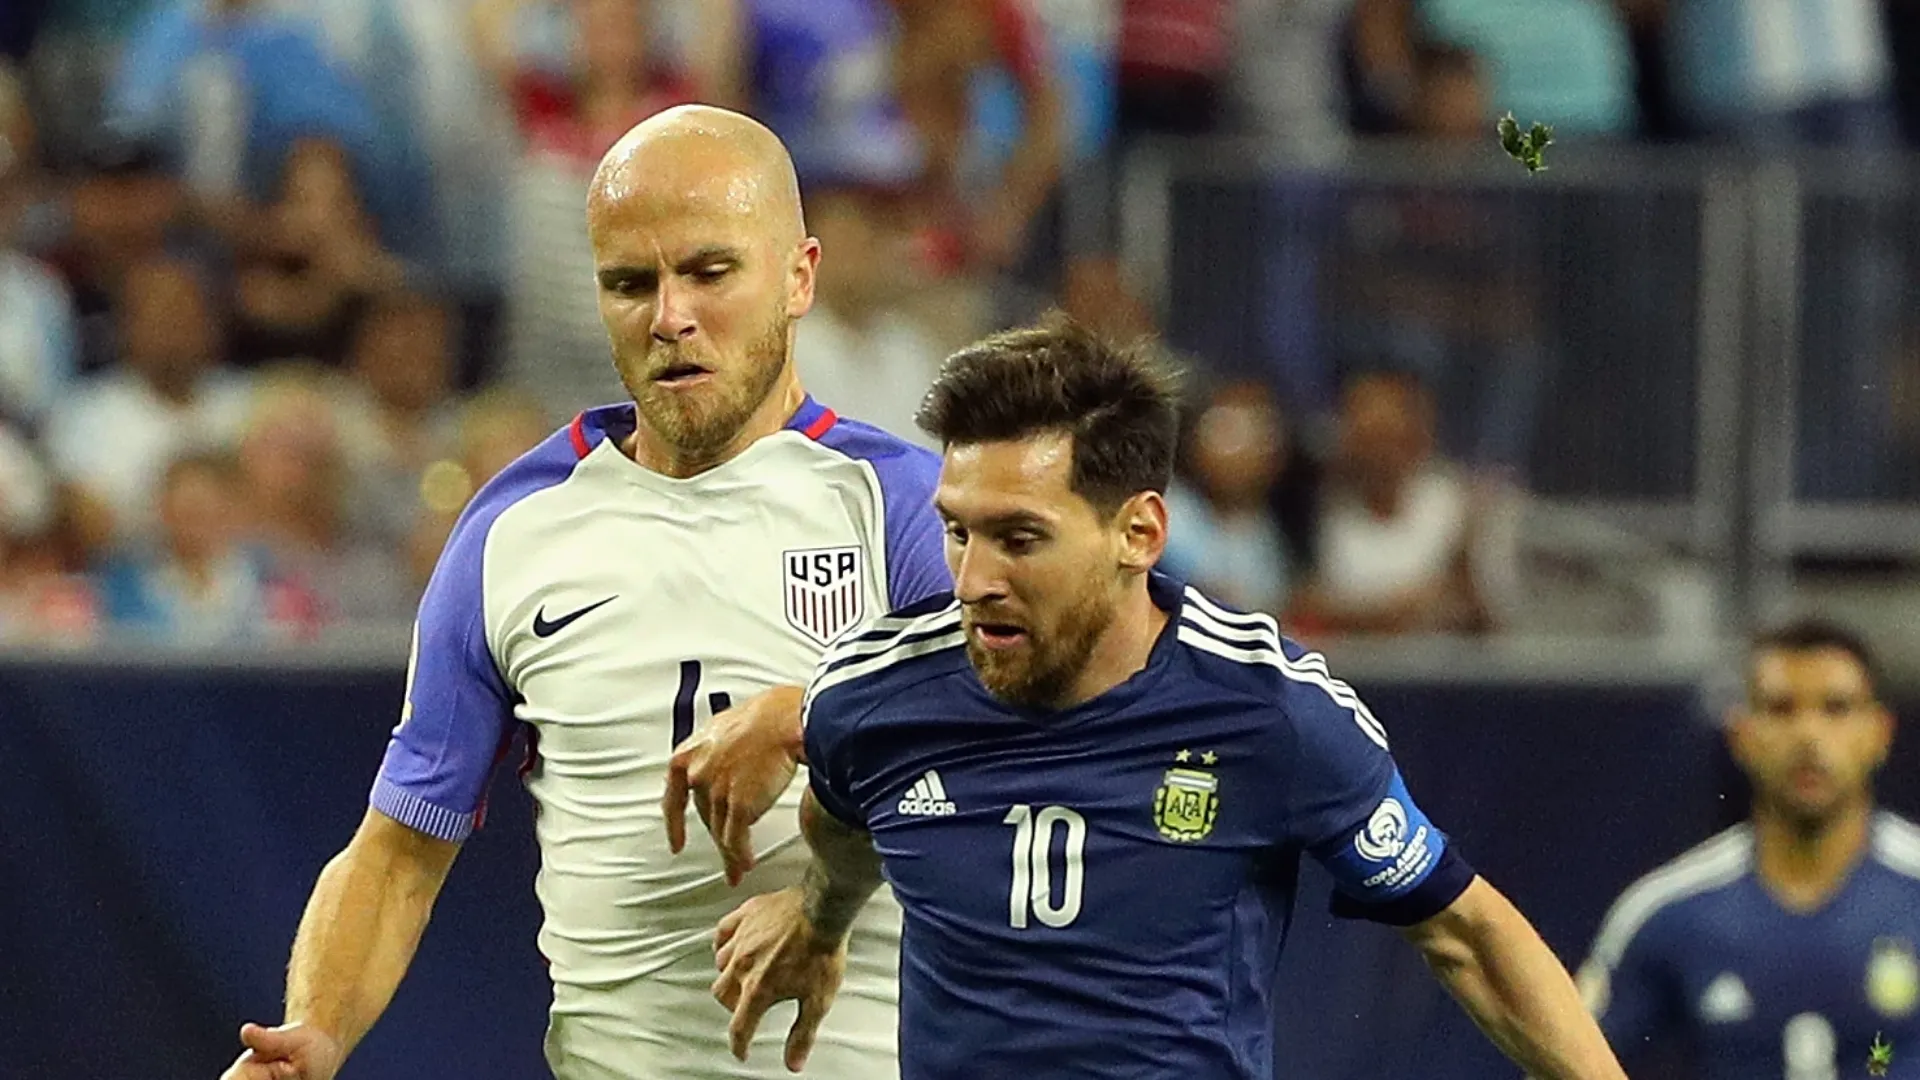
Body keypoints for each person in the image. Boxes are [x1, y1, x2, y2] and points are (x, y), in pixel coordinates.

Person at [219, 104, 947, 1080]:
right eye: (630, 283)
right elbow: (396, 856)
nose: (669, 316)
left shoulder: (900, 505)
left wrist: (803, 719)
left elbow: (1026, 739)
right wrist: (317, 1027)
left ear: (798, 275)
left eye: (709, 271)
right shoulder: (515, 531)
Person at [709, 314, 1628, 1079]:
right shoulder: (876, 695)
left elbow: (1465, 934)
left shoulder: (1268, 713)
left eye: (1020, 538)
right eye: (957, 533)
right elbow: (842, 817)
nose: (974, 579)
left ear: (1139, 532)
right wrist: (821, 915)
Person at [1576, 620, 1920, 1079]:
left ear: (1880, 732)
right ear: (1741, 734)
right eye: (1781, 709)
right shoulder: (1665, 912)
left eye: (1836, 709)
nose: (1809, 735)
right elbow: (1562, 1061)